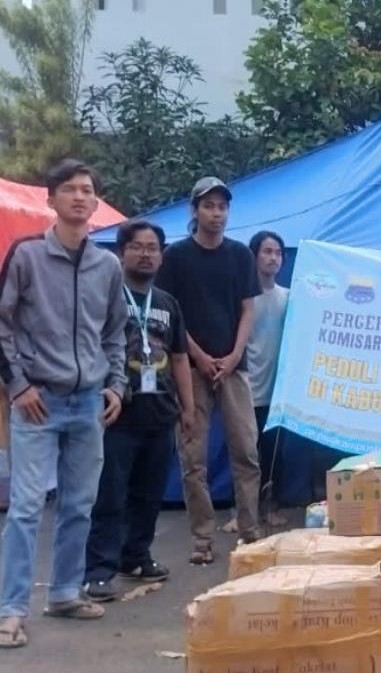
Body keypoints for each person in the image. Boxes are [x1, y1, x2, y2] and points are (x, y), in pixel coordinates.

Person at [0, 160, 127, 649]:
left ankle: (65, 593)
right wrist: (18, 386)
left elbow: (116, 331)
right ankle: (11, 610)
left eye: (87, 190)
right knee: (26, 508)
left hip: (88, 402)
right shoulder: (27, 255)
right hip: (37, 401)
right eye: (69, 189)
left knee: (79, 504)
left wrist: (116, 385)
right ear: (50, 200)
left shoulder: (107, 266)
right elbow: (2, 323)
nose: (79, 196)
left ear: (95, 202)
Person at [83, 221, 195, 601]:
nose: (146, 254)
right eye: (137, 247)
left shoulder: (168, 303)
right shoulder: (107, 297)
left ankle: (136, 557)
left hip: (160, 412)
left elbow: (179, 357)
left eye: (153, 248)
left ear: (162, 256)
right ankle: (99, 571)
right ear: (121, 253)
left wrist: (188, 408)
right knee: (110, 496)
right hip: (116, 413)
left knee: (149, 495)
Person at [155, 177, 262, 565]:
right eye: (209, 206)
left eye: (222, 207)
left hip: (234, 366)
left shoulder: (240, 255)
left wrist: (234, 355)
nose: (216, 214)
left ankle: (250, 534)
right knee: (193, 457)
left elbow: (248, 309)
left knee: (246, 451)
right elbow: (170, 313)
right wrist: (198, 355)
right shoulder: (176, 256)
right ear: (195, 210)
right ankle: (202, 538)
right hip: (189, 367)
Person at [246, 230, 290, 528]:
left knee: (274, 455)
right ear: (254, 256)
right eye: (267, 251)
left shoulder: (288, 297)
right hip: (245, 387)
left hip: (278, 391)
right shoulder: (242, 297)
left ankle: (270, 508)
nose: (273, 258)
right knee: (244, 454)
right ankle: (242, 512)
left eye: (278, 253)